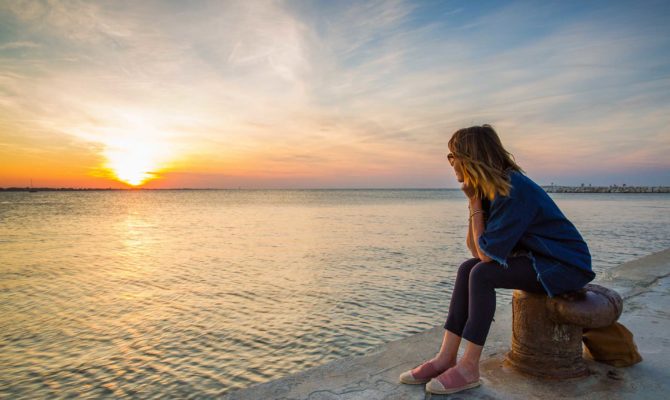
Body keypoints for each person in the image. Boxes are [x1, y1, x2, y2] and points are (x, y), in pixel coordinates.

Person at [398, 124, 595, 395]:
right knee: (468, 269)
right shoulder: (492, 189)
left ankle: (469, 368)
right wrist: (474, 203)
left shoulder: (513, 189)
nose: (451, 163)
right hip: (540, 259)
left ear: (471, 158)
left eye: (453, 156)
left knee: (481, 274)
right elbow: (475, 251)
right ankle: (446, 357)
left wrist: (475, 205)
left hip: (565, 265)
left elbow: (486, 255)